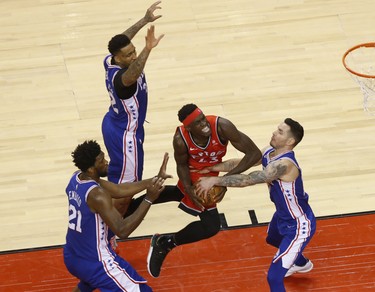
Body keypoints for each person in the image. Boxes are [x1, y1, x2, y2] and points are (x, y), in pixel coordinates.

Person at [119, 103, 261, 278]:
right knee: (210, 225)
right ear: (188, 128)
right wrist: (188, 187)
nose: (205, 125)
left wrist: (223, 181)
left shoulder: (222, 126)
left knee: (190, 206)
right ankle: (164, 241)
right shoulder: (181, 138)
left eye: (204, 119)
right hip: (193, 175)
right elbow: (181, 165)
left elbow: (254, 154)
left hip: (212, 173)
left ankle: (129, 212)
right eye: (199, 123)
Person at [196, 118, 316, 292]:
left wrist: (216, 180)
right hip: (282, 215)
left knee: (274, 278)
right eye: (277, 129)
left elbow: (248, 179)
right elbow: (242, 162)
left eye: (280, 132)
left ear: (290, 142)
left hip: (298, 224)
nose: (274, 132)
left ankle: (296, 260)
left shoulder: (285, 165)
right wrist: (214, 167)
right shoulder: (270, 151)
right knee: (273, 238)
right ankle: (301, 263)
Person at [63, 140, 168, 292]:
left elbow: (119, 190)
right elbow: (123, 230)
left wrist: (154, 180)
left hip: (72, 255)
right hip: (96, 261)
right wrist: (149, 198)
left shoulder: (77, 177)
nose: (106, 162)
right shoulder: (97, 195)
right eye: (101, 161)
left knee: (87, 283)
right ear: (92, 169)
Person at [101, 1, 164, 185]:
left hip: (112, 122)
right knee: (128, 184)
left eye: (134, 51)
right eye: (129, 55)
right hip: (125, 134)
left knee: (119, 175)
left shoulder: (110, 60)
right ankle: (115, 212)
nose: (134, 56)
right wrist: (148, 48)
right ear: (119, 58)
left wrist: (144, 20)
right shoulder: (124, 80)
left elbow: (122, 40)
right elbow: (132, 74)